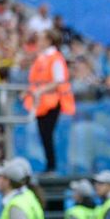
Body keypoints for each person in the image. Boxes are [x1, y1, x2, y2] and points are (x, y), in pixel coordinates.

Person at [23, 29, 75, 174]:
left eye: (41, 39)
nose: (38, 42)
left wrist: (41, 91)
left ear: (48, 41)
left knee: (48, 134)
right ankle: (49, 165)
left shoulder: (55, 57)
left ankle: (52, 166)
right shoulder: (42, 57)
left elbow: (58, 81)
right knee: (43, 134)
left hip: (52, 101)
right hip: (42, 102)